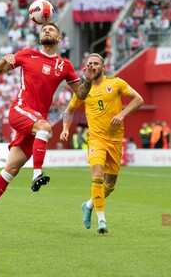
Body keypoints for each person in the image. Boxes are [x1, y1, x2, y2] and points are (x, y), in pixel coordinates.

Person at [0, 22, 97, 236]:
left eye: (51, 30)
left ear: (59, 39)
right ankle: (37, 174)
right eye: (44, 29)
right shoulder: (27, 54)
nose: (46, 31)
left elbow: (81, 94)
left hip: (34, 126)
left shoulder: (64, 65)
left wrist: (89, 80)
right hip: (21, 110)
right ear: (40, 37)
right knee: (46, 126)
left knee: (11, 169)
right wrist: (5, 60)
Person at [60, 53, 143, 234]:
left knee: (110, 185)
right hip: (96, 138)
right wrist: (65, 129)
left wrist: (121, 114)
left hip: (115, 139)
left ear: (102, 66)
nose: (92, 66)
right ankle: (102, 221)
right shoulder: (83, 90)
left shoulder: (116, 83)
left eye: (96, 63)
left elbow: (139, 99)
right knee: (97, 174)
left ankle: (88, 205)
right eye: (89, 63)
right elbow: (69, 110)